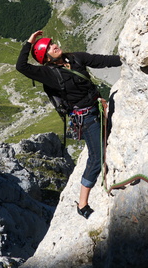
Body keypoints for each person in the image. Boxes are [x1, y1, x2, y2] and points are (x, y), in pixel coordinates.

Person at [16, 30, 122, 219]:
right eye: (48, 47)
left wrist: (128, 57)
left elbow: (101, 60)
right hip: (86, 118)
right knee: (96, 156)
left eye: (51, 43)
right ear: (45, 58)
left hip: (98, 109)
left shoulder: (75, 58)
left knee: (107, 144)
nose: (53, 46)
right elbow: (21, 67)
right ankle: (82, 205)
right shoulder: (48, 73)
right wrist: (29, 42)